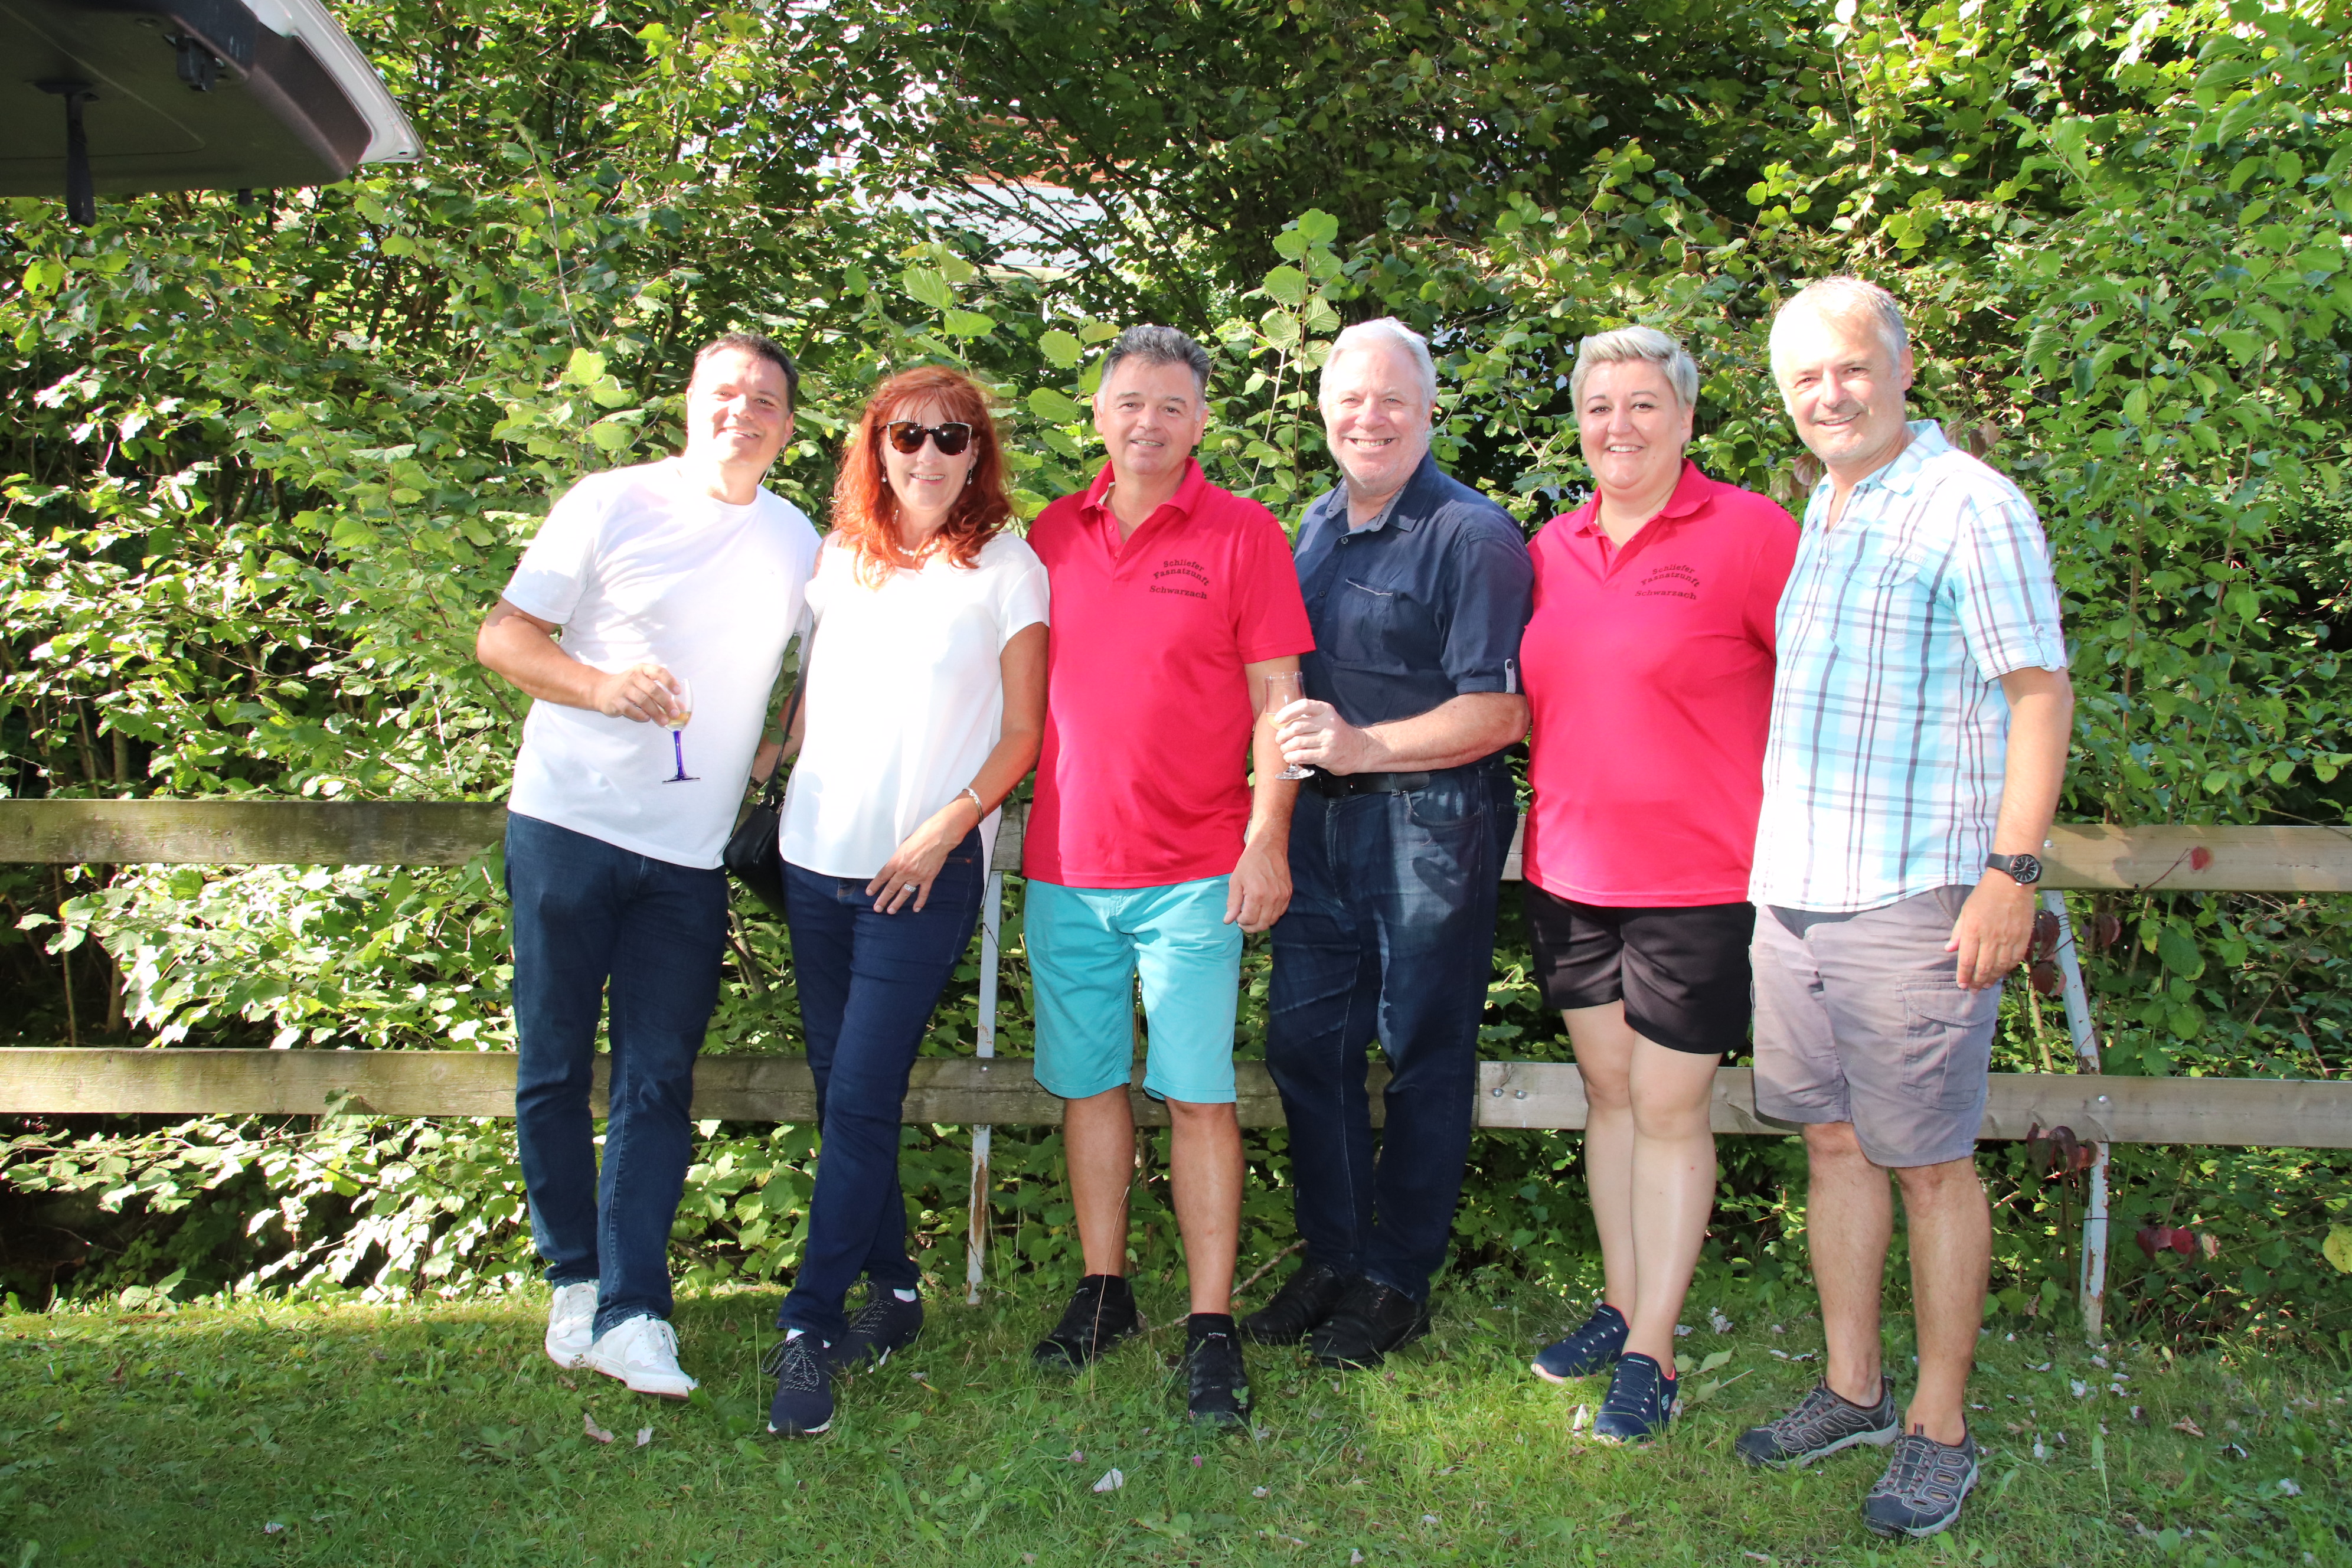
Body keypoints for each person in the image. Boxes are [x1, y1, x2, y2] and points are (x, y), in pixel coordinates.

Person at [1733, 277, 2071, 1540]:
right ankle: (1853, 1388)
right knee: (1832, 1144)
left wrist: (2010, 875)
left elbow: (2039, 693)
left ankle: (1939, 1426)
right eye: (1806, 378)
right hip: (1797, 890)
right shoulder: (1824, 509)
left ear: (1903, 367)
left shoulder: (1970, 505)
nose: (1830, 393)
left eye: (1852, 368)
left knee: (1929, 1164)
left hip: (1916, 894)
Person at [477, 332, 821, 1398]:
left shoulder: (796, 538)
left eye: (764, 401)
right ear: (688, 402)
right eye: (724, 392)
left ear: (788, 428)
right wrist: (600, 687)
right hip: (565, 826)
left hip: (686, 858)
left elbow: (826, 668)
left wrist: (771, 753)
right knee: (551, 1066)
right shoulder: (609, 501)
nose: (741, 413)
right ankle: (573, 1279)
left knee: (658, 1079)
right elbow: (503, 638)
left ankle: (635, 1312)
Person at [1021, 325, 1315, 1427]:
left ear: (1201, 421)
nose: (1149, 422)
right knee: (1089, 1085)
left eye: (1173, 406)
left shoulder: (1244, 533)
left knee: (1197, 1094)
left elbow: (1280, 700)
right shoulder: (1048, 534)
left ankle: (1210, 1322)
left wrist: (1267, 837)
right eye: (1131, 402)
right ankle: (1104, 1291)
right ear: (1099, 414)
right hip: (1065, 866)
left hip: (1197, 870)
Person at [1518, 326, 1799, 1440]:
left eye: (1643, 404)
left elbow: (1815, 687)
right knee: (1610, 1097)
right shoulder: (1551, 546)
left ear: (1687, 420)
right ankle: (1623, 1302)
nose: (1619, 426)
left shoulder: (1752, 533)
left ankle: (1655, 1352)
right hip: (1570, 871)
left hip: (1701, 877)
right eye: (1600, 407)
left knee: (1673, 1108)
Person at [762, 366, 1049, 1437]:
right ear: (876, 447)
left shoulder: (1009, 569)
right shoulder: (839, 558)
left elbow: (1023, 732)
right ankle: (894, 1288)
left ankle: (807, 1325)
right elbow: (812, 699)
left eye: (952, 437)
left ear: (979, 455)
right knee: (843, 1090)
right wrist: (763, 763)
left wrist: (949, 826)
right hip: (812, 861)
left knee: (863, 1090)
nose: (928, 455)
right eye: (907, 435)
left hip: (920, 875)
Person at [1247, 318, 1534, 1368]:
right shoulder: (1315, 526)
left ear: (1428, 412)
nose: (1369, 418)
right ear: (1324, 408)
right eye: (1351, 399)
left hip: (1430, 821)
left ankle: (1397, 1280)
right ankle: (1333, 1257)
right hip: (1321, 824)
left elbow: (1500, 713)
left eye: (1393, 400)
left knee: (1422, 1052)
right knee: (1305, 1046)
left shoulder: (1472, 535)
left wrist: (1365, 746)